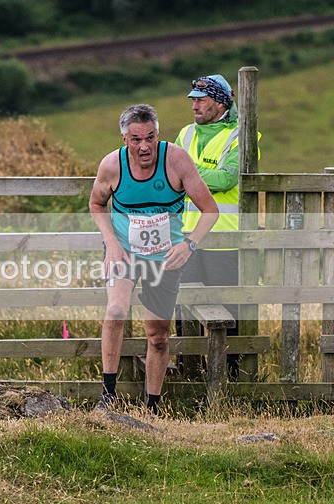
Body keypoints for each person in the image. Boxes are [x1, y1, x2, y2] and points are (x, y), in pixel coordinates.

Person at [88, 104, 218, 414]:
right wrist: (111, 243)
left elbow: (210, 211)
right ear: (124, 139)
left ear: (158, 135)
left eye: (150, 138)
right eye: (136, 139)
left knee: (158, 335)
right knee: (117, 310)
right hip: (125, 251)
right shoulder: (112, 166)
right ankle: (108, 394)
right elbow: (96, 204)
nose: (144, 146)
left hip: (164, 258)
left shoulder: (176, 160)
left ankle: (153, 406)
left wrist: (189, 245)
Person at [175, 74, 258, 380]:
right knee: (185, 307)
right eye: (192, 99)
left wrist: (186, 176)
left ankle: (231, 378)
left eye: (200, 99)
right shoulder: (185, 134)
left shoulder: (241, 136)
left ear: (220, 102)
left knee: (229, 313)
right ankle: (189, 376)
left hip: (227, 239)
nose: (194, 105)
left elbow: (228, 179)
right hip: (187, 236)